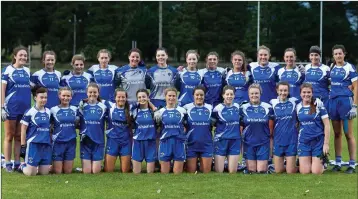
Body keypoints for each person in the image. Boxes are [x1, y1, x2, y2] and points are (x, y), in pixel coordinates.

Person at [1, 46, 31, 172]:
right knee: (9, 135)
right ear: (15, 56)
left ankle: (17, 162)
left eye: (25, 55)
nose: (23, 57)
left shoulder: (28, 71)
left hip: (24, 109)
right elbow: (2, 90)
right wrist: (2, 107)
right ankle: (8, 163)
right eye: (21, 55)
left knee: (19, 136)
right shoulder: (7, 70)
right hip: (11, 108)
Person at [328, 45, 357, 174]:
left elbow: (356, 87)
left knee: (348, 134)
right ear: (333, 55)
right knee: (337, 134)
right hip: (333, 102)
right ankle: (338, 162)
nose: (338, 56)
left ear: (344, 54)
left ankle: (352, 164)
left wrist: (355, 106)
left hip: (345, 103)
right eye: (336, 54)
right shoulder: (332, 67)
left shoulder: (349, 67)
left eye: (340, 53)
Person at [296, 83, 330, 174]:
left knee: (316, 172)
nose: (306, 94)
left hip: (318, 141)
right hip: (304, 142)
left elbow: (327, 124)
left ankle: (323, 163)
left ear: (312, 93)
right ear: (300, 94)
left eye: (308, 92)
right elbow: (297, 124)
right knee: (305, 172)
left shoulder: (318, 104)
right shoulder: (298, 107)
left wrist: (326, 144)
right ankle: (308, 160)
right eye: (304, 92)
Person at [241, 83, 274, 173]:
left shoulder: (268, 107)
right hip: (249, 143)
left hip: (263, 143)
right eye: (252, 93)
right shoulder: (243, 108)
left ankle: (270, 165)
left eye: (256, 93)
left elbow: (271, 128)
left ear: (260, 94)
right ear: (248, 95)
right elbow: (240, 127)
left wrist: (269, 143)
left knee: (261, 171)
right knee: (251, 170)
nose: (254, 95)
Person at [19, 87, 52, 176]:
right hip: (33, 144)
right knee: (31, 173)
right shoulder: (30, 112)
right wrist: (23, 146)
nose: (44, 99)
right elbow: (23, 129)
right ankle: (21, 165)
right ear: (35, 98)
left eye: (45, 97)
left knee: (44, 173)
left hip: (46, 144)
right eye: (41, 97)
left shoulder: (49, 112)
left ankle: (35, 166)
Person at [154, 87, 186, 174]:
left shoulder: (182, 111)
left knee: (177, 173)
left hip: (179, 142)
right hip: (165, 142)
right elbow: (157, 128)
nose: (171, 98)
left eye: (173, 96)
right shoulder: (160, 112)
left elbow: (186, 125)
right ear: (165, 97)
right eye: (169, 96)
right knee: (164, 172)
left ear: (176, 97)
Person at [78, 83, 107, 174]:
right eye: (90, 92)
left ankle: (99, 164)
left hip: (98, 142)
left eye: (95, 92)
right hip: (85, 141)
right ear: (87, 93)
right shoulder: (81, 106)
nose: (92, 94)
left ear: (98, 93)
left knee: (95, 171)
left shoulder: (104, 106)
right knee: (87, 172)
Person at [183, 86, 213, 173]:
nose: (199, 97)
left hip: (206, 144)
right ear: (193, 95)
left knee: (206, 171)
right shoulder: (186, 108)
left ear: (204, 96)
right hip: (191, 144)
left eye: (201, 95)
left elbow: (216, 122)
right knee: (191, 171)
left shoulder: (210, 108)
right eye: (197, 95)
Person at [269, 82, 298, 174]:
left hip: (291, 140)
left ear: (288, 91)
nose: (283, 93)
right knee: (278, 171)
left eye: (285, 90)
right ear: (277, 91)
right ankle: (287, 163)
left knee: (290, 171)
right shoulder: (272, 103)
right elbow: (270, 123)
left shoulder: (294, 102)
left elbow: (307, 99)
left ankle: (298, 164)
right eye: (281, 90)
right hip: (278, 140)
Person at [212, 85, 241, 173]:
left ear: (234, 95)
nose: (229, 96)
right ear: (223, 95)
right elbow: (213, 123)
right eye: (227, 94)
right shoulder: (217, 108)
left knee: (232, 171)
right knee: (219, 171)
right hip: (221, 140)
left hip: (235, 140)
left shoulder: (238, 107)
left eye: (231, 94)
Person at [50, 87, 78, 174]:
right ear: (59, 96)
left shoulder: (75, 109)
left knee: (68, 171)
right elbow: (50, 127)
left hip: (71, 142)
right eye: (63, 95)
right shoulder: (53, 110)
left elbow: (78, 123)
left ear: (71, 97)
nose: (66, 98)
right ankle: (46, 166)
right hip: (58, 142)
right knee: (58, 172)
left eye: (68, 96)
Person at [104, 88, 132, 173]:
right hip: (113, 141)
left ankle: (131, 163)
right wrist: (83, 101)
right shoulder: (109, 105)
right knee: (108, 171)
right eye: (119, 97)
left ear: (126, 98)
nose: (121, 99)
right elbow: (94, 97)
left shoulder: (131, 107)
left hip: (126, 142)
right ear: (115, 98)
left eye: (123, 97)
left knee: (125, 171)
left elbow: (143, 102)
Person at [131, 89, 157, 174]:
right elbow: (127, 109)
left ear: (148, 97)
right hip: (138, 142)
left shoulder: (153, 111)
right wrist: (137, 103)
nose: (142, 99)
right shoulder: (135, 111)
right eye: (139, 97)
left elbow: (159, 116)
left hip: (150, 142)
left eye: (144, 97)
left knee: (150, 172)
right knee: (136, 172)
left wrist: (150, 104)